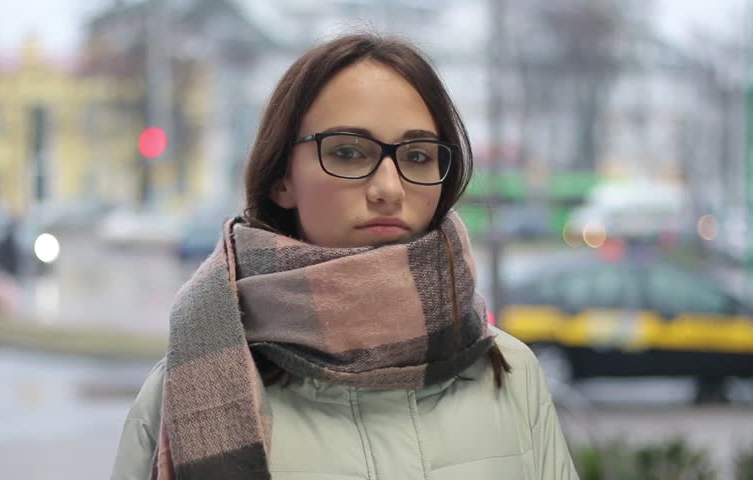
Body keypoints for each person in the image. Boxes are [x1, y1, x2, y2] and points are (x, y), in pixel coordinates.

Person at [112, 33, 578, 480]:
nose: (389, 189)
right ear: (281, 179)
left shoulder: (512, 374)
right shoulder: (189, 385)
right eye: (349, 152)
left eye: (418, 156)